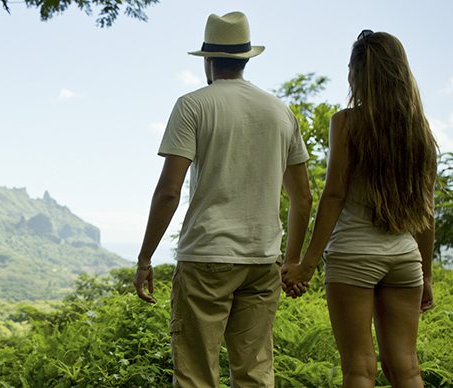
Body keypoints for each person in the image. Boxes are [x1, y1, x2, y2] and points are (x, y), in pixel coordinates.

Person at [133, 11, 312, 388]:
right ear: (246, 58)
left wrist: (145, 257)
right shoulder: (281, 112)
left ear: (208, 61)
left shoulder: (193, 105)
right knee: (255, 372)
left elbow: (169, 192)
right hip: (263, 259)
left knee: (196, 375)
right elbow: (303, 198)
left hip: (207, 257)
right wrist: (292, 259)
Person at [281, 30, 437, 388]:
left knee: (359, 368)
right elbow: (426, 212)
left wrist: (306, 264)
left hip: (353, 255)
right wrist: (426, 275)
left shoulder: (348, 123)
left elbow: (333, 196)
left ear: (359, 74)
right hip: (404, 260)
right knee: (408, 369)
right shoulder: (420, 131)